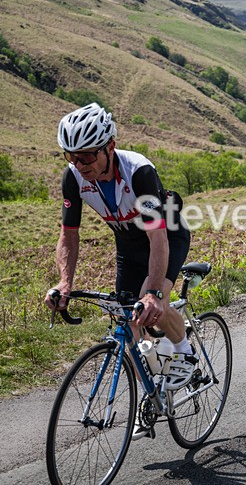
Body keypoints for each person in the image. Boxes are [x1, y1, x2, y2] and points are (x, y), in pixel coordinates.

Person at [43, 103, 193, 440]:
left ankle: (184, 350)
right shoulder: (74, 177)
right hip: (127, 244)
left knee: (154, 301)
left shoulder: (139, 172)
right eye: (72, 157)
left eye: (87, 157)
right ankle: (151, 394)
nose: (80, 165)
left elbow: (158, 237)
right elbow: (69, 234)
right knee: (127, 319)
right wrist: (65, 283)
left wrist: (155, 291)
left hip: (167, 235)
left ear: (109, 147)